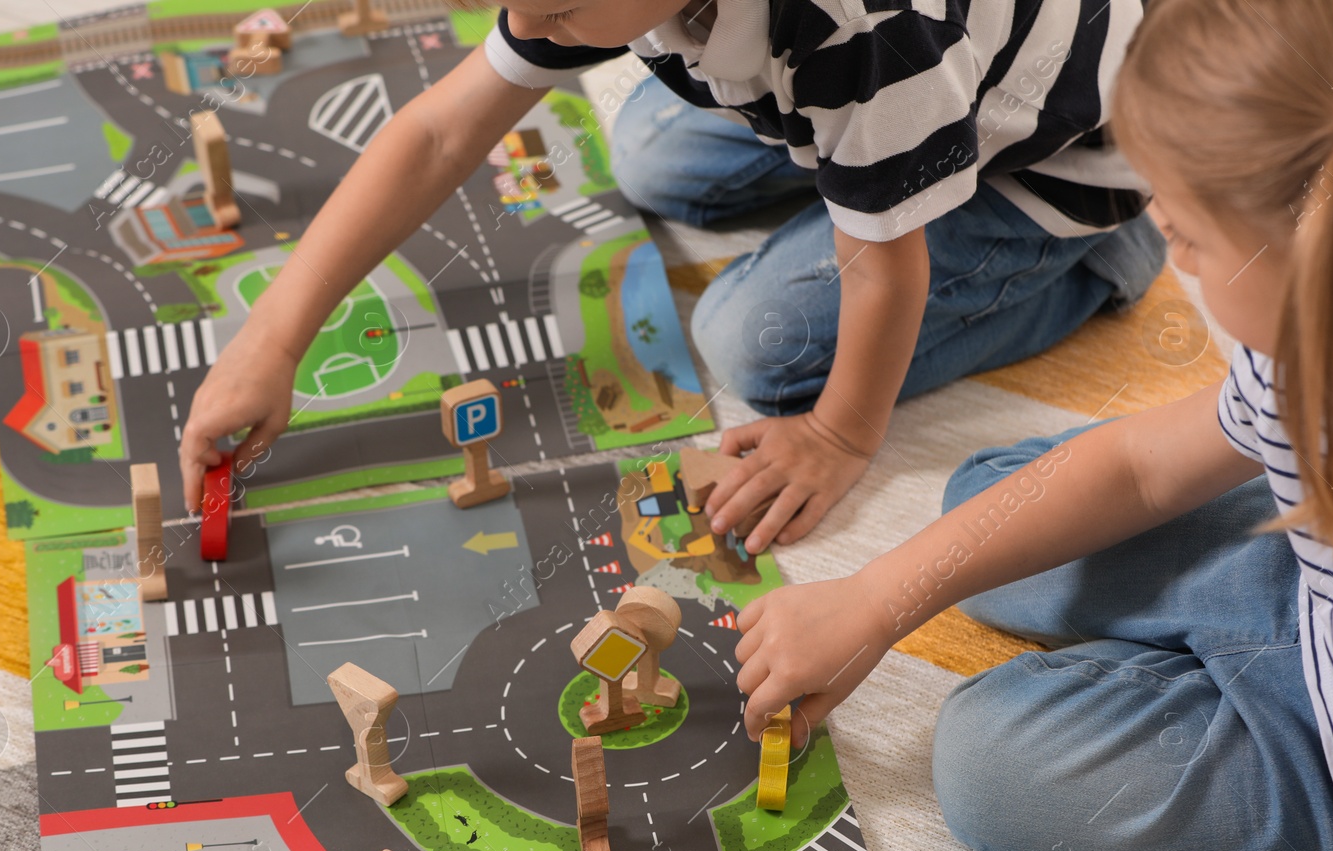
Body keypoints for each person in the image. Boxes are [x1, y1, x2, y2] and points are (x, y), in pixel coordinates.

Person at [733, 0, 1333, 851]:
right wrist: (877, 598)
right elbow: (1132, 463)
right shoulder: (1317, 314)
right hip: (1314, 577)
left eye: (1183, 235)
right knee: (987, 501)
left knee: (988, 763)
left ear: (1308, 258)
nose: (1169, 244)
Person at [178, 0, 1167, 547]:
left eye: (558, 8)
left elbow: (886, 272)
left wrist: (836, 435)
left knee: (759, 343)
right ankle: (861, 165)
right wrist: (273, 336)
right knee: (651, 159)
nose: (530, 17)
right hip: (870, 77)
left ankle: (1102, 252)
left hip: (1064, 152)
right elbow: (440, 130)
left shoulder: (868, 40)